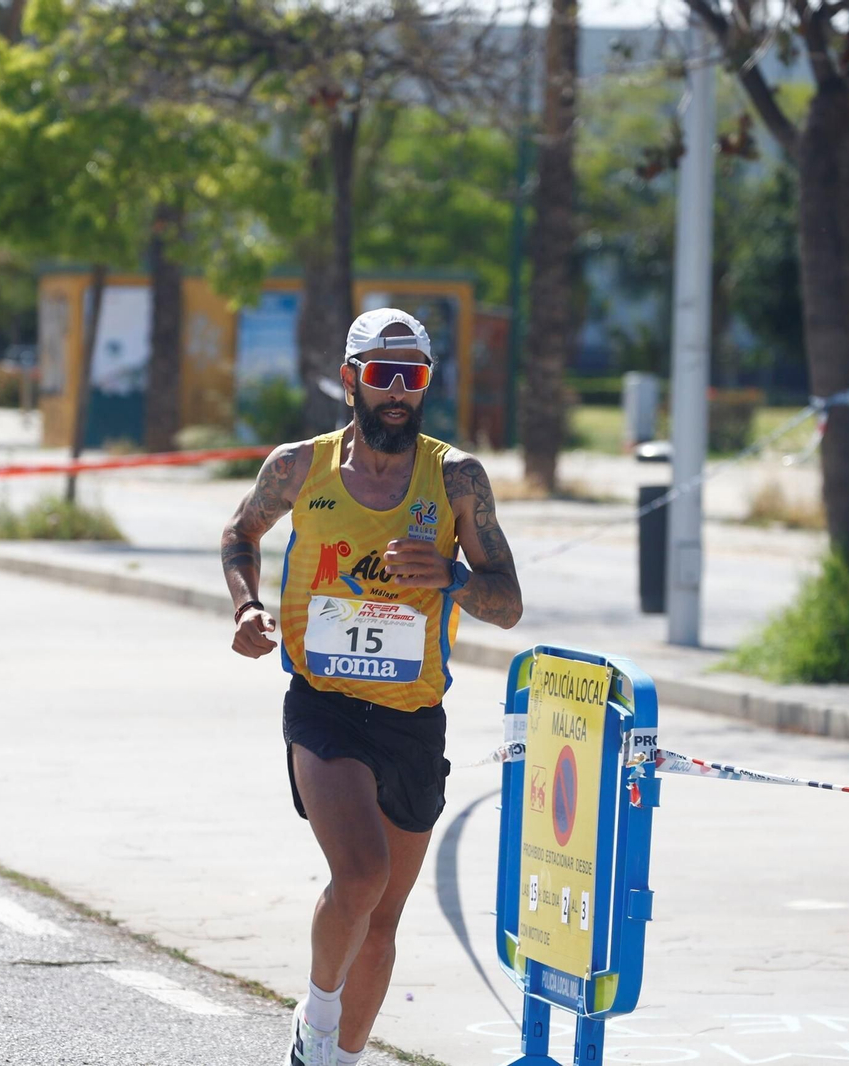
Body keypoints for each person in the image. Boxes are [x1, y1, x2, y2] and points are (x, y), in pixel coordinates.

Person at [221, 308, 523, 1066]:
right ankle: (316, 1021)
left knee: (383, 923)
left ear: (426, 384)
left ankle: (338, 1057)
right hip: (323, 709)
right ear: (352, 378)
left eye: (412, 377)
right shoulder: (299, 467)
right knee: (360, 873)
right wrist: (248, 608)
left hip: (414, 719)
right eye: (382, 376)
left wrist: (451, 577)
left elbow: (509, 603)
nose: (397, 393)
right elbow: (239, 534)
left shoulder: (456, 479)